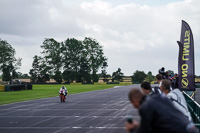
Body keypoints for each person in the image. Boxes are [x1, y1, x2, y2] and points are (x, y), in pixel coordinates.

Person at [125, 88, 198, 133]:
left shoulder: (145, 106)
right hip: (191, 128)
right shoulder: (158, 98)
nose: (134, 106)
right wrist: (139, 127)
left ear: (134, 100)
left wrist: (132, 130)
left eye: (132, 103)